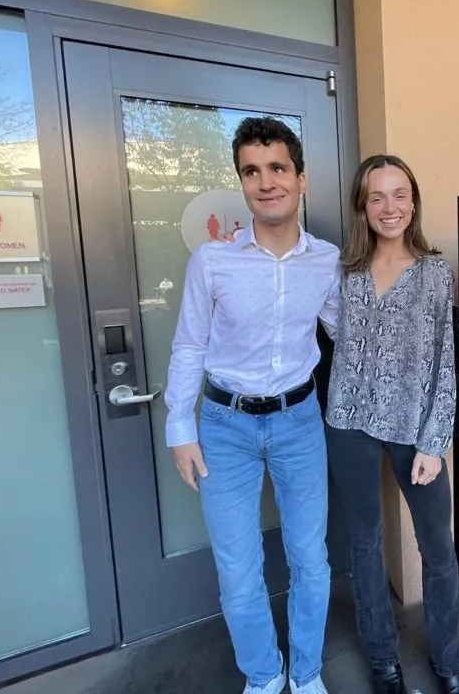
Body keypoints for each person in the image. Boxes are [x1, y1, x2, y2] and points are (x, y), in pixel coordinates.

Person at [165, 117, 341, 694]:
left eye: (277, 169)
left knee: (309, 560)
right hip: (224, 428)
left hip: (298, 422)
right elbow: (190, 343)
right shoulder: (213, 262)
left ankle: (307, 672)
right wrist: (179, 428)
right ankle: (264, 676)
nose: (266, 182)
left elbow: (349, 334)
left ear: (300, 179)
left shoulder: (327, 261)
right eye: (252, 171)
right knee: (239, 571)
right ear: (242, 182)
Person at [324, 155, 459, 694]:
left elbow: (444, 363)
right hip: (349, 424)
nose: (390, 207)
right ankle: (383, 659)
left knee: (437, 548)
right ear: (362, 205)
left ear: (413, 201)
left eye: (400, 194)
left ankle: (450, 661)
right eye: (377, 196)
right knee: (364, 544)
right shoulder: (343, 271)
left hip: (416, 431)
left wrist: (435, 443)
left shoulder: (435, 271)